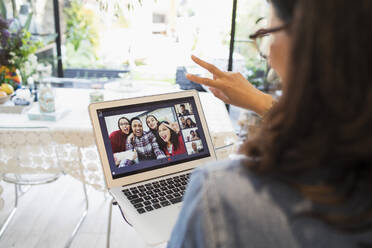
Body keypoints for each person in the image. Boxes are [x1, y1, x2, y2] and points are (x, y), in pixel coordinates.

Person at [168, 0, 372, 247]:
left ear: (307, 45)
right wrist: (258, 100)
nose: (266, 52)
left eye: (266, 34)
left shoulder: (221, 199)